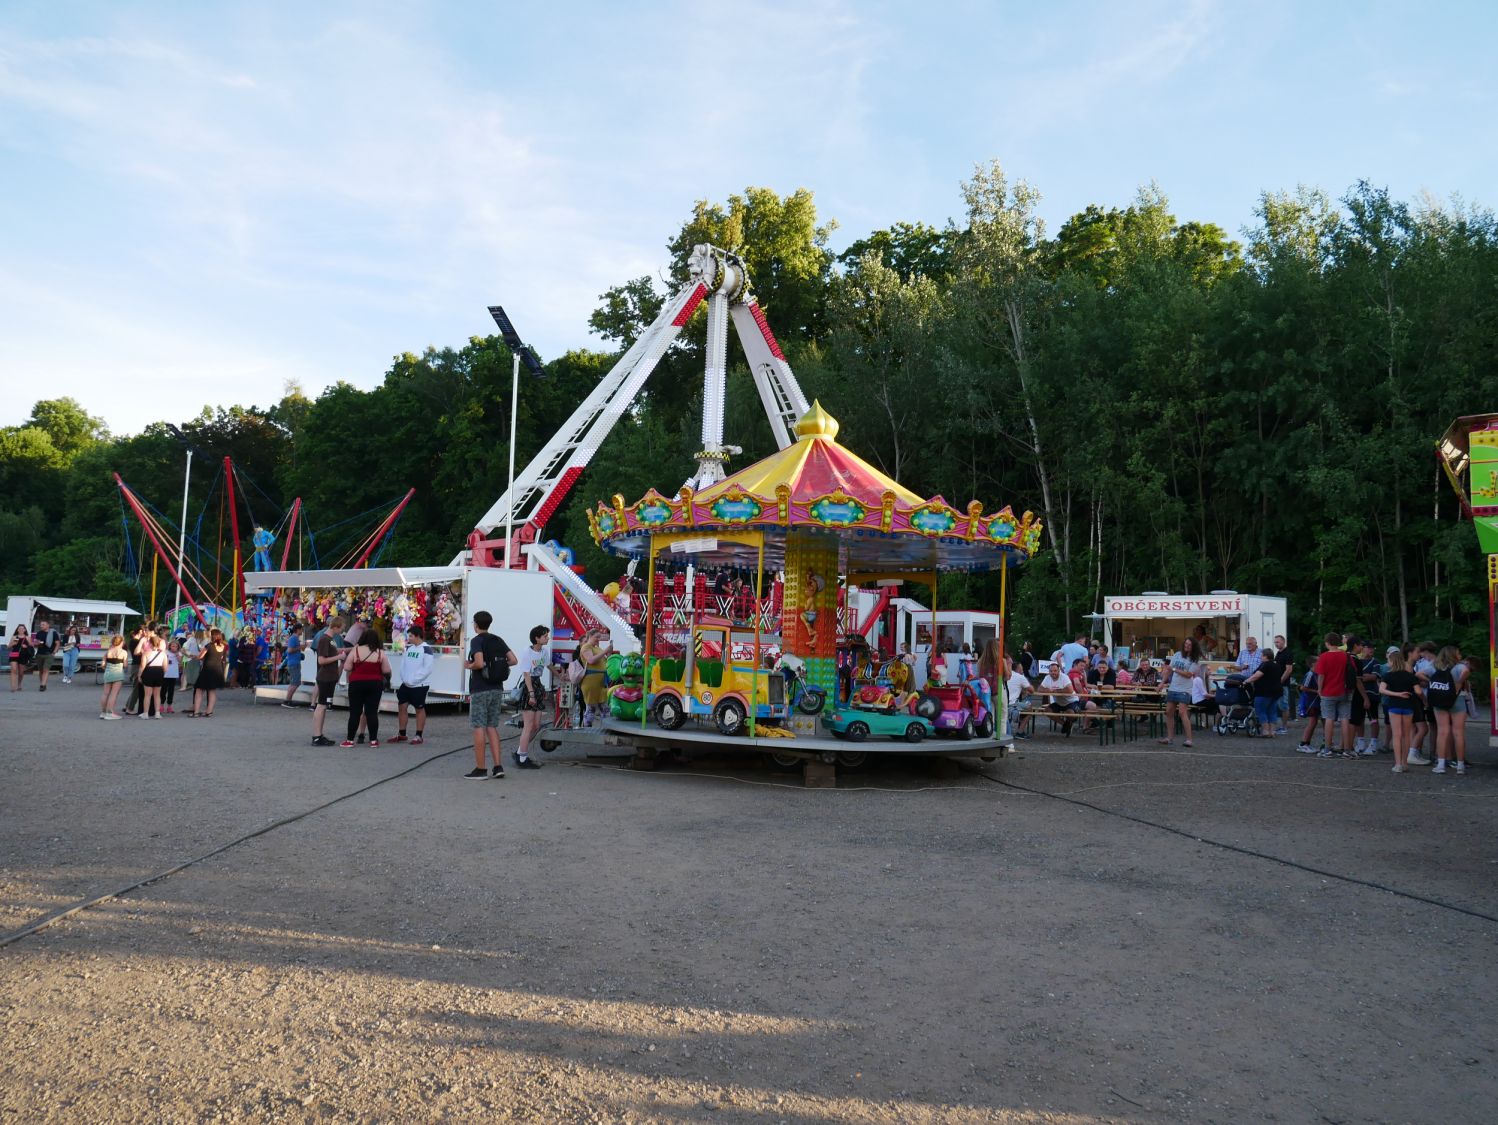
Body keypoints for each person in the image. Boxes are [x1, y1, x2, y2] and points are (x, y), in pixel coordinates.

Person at [464, 610, 516, 779]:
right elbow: (513, 660)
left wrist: (469, 665)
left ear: (475, 624)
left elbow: (479, 663)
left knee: (479, 726)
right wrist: (496, 667)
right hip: (497, 688)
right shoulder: (498, 639)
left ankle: (480, 769)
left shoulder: (477, 641)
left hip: (480, 688)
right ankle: (498, 766)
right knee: (492, 726)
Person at [1311, 632, 1362, 758]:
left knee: (1329, 719)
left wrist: (1319, 689)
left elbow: (1321, 675)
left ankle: (1327, 749)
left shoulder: (1323, 657)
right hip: (1344, 691)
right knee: (1345, 719)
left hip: (1328, 692)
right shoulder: (1346, 656)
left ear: (1327, 643)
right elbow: (1353, 672)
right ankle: (1347, 749)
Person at [341, 629, 390, 747]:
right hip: (375, 684)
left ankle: (350, 740)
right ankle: (373, 740)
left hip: (356, 683)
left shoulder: (356, 650)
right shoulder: (380, 652)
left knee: (355, 712)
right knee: (372, 712)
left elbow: (347, 667)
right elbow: (386, 670)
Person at [1425, 646, 1468, 775]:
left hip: (1440, 699)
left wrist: (1431, 681)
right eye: (1458, 653)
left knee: (1442, 732)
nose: (1460, 655)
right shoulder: (1459, 667)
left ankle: (1441, 764)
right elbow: (1466, 671)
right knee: (1458, 733)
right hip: (1457, 700)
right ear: (1453, 655)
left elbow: (1419, 674)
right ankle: (1460, 766)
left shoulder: (1435, 667)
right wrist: (1459, 682)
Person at [514, 625, 552, 769]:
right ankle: (522, 758)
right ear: (537, 638)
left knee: (536, 725)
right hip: (529, 687)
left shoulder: (544, 651)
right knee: (529, 725)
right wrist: (531, 694)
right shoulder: (527, 652)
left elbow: (549, 665)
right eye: (545, 636)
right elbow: (526, 674)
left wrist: (560, 675)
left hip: (538, 686)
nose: (547, 638)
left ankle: (520, 752)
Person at [1379, 650, 1421, 773]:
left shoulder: (1388, 675)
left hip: (1394, 705)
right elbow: (1418, 691)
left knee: (1396, 735)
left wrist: (1397, 694)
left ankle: (1398, 764)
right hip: (1408, 706)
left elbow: (1381, 690)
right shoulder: (1411, 676)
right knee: (1406, 735)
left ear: (1392, 661)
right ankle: (1405, 763)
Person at [393, 625, 436, 745]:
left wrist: (414, 680)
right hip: (406, 684)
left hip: (419, 685)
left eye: (411, 636)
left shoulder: (426, 649)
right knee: (402, 707)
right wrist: (404, 678)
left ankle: (418, 735)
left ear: (418, 636)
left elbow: (427, 669)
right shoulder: (409, 648)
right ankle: (402, 734)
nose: (409, 638)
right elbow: (403, 664)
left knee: (419, 709)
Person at [1159, 637, 1203, 747]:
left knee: (1182, 712)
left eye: (1189, 645)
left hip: (1185, 689)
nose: (1186, 646)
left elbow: (1188, 674)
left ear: (1193, 647)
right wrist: (1162, 683)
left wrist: (1174, 669)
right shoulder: (1177, 654)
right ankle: (1169, 738)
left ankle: (1189, 739)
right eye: (1186, 644)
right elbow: (1168, 670)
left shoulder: (1195, 660)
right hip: (1173, 687)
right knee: (1169, 712)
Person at [310, 616, 346, 747]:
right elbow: (321, 660)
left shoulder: (330, 639)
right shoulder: (325, 639)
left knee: (323, 705)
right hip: (325, 677)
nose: (342, 631)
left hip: (329, 677)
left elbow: (331, 653)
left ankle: (319, 734)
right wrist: (339, 657)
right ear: (335, 627)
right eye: (341, 628)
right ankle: (316, 736)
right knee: (321, 705)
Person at [1407, 642, 1438, 765]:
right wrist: (1425, 683)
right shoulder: (1419, 663)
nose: (1420, 655)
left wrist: (1426, 682)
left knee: (1432, 726)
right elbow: (1414, 679)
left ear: (1426, 651)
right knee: (1419, 727)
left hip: (1428, 697)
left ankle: (1431, 753)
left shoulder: (1434, 662)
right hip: (1421, 697)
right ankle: (1416, 752)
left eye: (1422, 652)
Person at [1350, 638, 1381, 755]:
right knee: (1359, 719)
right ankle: (1361, 742)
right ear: (1363, 648)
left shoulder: (1375, 661)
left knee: (1373, 719)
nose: (1371, 650)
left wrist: (1361, 677)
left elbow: (1374, 677)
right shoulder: (1357, 660)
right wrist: (1363, 677)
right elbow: (1354, 677)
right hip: (1358, 694)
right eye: (1369, 647)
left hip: (1372, 694)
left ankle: (1373, 744)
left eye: (1373, 648)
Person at [578, 628, 613, 727]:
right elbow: (591, 660)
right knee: (591, 707)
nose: (598, 639)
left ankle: (606, 727)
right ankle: (587, 728)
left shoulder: (597, 648)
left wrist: (609, 653)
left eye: (599, 637)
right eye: (596, 637)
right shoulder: (586, 647)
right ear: (590, 636)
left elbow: (605, 661)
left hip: (601, 682)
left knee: (604, 706)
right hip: (591, 681)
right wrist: (605, 651)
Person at [1243, 655, 1283, 739]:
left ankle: (1265, 731)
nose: (1260, 657)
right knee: (1272, 711)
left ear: (1265, 656)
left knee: (1261, 711)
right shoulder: (1277, 665)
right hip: (1276, 692)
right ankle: (1272, 732)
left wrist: (1246, 681)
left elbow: (1257, 675)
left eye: (1261, 656)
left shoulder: (1265, 664)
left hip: (1264, 692)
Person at [1037, 661, 1081, 736]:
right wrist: (1046, 690)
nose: (1053, 673)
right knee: (1047, 711)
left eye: (1055, 671)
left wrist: (1056, 691)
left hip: (1071, 701)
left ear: (1059, 671)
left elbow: (1070, 690)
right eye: (1051, 671)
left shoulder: (1064, 677)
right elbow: (1039, 689)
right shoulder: (1047, 678)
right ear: (1049, 671)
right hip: (1059, 702)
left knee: (1070, 714)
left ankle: (1069, 722)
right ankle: (1065, 724)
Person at [191, 628, 228, 717]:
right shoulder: (223, 646)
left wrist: (194, 656)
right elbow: (222, 658)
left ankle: (196, 712)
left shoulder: (209, 646)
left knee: (199, 690)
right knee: (212, 691)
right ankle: (209, 711)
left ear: (212, 636)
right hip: (217, 670)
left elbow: (200, 656)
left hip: (207, 669)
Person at [98, 634, 129, 718]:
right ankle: (110, 713)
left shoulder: (108, 651)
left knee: (105, 693)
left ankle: (103, 712)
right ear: (121, 642)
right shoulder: (124, 652)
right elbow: (125, 665)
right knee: (114, 694)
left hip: (108, 673)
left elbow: (103, 664)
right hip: (118, 674)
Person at [1272, 635, 1294, 735]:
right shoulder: (1279, 653)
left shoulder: (1287, 653)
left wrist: (1280, 681)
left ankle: (1284, 727)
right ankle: (1279, 726)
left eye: (1278, 642)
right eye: (1275, 642)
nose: (1276, 644)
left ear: (1283, 641)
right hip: (1276, 683)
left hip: (1283, 684)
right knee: (1277, 705)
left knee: (1283, 705)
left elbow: (1288, 670)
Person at [31, 616, 59, 692]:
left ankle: (42, 685)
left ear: (48, 625)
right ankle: (43, 683)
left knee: (46, 670)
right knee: (41, 671)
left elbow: (57, 643)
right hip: (39, 653)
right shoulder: (39, 633)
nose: (41, 626)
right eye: (41, 625)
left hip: (49, 654)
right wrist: (36, 643)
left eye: (43, 624)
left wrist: (54, 652)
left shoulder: (53, 633)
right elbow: (36, 643)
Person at [281, 623, 304, 706]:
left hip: (295, 662)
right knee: (295, 683)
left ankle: (289, 700)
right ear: (298, 630)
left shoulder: (295, 638)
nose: (302, 631)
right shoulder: (293, 638)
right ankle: (287, 700)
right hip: (294, 663)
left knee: (293, 683)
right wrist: (300, 647)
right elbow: (289, 650)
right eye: (301, 629)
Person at [9, 625, 34, 692]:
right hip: (14, 654)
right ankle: (13, 686)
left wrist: (26, 646)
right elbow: (9, 647)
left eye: (22, 628)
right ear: (17, 630)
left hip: (23, 655)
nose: (21, 630)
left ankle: (19, 684)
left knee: (21, 672)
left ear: (25, 630)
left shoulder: (27, 637)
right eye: (19, 628)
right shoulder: (14, 637)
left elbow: (31, 647)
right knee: (14, 670)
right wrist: (13, 643)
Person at [161, 639, 182, 714]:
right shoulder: (166, 652)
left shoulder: (179, 653)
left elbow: (180, 661)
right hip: (165, 674)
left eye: (176, 646)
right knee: (163, 690)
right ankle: (161, 705)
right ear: (169, 646)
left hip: (173, 674)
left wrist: (177, 654)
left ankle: (169, 706)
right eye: (173, 646)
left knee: (171, 690)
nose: (174, 648)